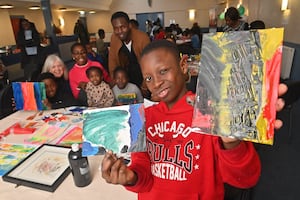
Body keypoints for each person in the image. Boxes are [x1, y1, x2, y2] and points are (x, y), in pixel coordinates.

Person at [101, 40, 287, 199]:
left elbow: (246, 178)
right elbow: (143, 175)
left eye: (163, 71)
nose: (156, 83)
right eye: (148, 78)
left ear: (183, 66)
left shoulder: (211, 112)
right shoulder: (143, 118)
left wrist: (232, 143)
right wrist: (131, 177)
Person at [109, 11, 151, 98]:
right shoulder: (114, 38)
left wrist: (145, 85)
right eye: (116, 28)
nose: (120, 31)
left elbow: (150, 65)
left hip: (143, 74)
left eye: (123, 27)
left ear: (129, 25)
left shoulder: (142, 38)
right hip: (127, 77)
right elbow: (112, 61)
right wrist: (114, 81)